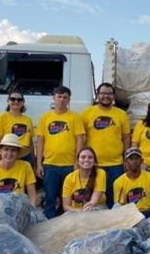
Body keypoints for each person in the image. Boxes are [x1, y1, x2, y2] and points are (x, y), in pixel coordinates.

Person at [36, 86, 86, 218]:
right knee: (50, 197)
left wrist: (77, 162)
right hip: (50, 165)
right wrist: (39, 164)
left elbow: (80, 140)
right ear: (54, 98)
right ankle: (48, 222)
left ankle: (66, 224)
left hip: (69, 165)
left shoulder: (75, 117)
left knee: (68, 198)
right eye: (59, 96)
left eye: (65, 97)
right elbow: (40, 140)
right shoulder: (45, 117)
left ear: (69, 100)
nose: (62, 100)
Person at [82, 83, 131, 208]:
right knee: (91, 199)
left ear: (113, 96)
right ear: (97, 95)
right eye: (103, 93)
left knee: (114, 199)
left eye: (109, 93)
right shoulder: (86, 113)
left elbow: (126, 137)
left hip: (115, 165)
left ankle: (112, 225)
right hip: (93, 165)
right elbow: (81, 138)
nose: (106, 96)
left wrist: (126, 158)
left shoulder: (121, 114)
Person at [113, 147, 150, 216]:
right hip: (129, 215)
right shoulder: (118, 182)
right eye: (131, 159)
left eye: (137, 158)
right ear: (125, 162)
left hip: (148, 212)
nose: (134, 161)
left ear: (142, 161)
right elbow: (118, 206)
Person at [0, 134, 37, 206]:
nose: (9, 153)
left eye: (13, 150)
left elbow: (32, 195)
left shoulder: (25, 166)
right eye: (6, 149)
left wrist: (32, 210)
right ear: (0, 151)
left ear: (18, 153)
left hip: (19, 209)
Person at [0, 90, 35, 168]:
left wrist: (33, 162)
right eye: (13, 99)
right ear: (8, 101)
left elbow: (30, 143)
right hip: (9, 154)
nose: (16, 101)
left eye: (19, 99)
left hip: (26, 156)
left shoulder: (28, 120)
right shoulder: (1, 118)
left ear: (23, 102)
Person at [61, 147, 106, 212]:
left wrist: (86, 211)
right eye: (83, 157)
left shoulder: (100, 173)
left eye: (90, 157)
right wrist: (80, 211)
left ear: (94, 162)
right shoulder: (69, 178)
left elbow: (94, 201)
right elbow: (66, 206)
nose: (86, 160)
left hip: (97, 207)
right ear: (78, 162)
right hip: (76, 210)